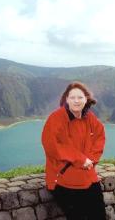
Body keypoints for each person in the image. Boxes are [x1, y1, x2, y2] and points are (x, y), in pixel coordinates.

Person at [41, 81, 106, 220]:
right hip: (62, 176)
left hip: (86, 175)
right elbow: (51, 145)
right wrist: (81, 160)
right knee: (78, 216)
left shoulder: (89, 118)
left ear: (86, 99)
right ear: (66, 99)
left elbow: (99, 137)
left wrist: (90, 161)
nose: (76, 101)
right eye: (72, 97)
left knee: (99, 215)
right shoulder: (56, 118)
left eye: (80, 97)